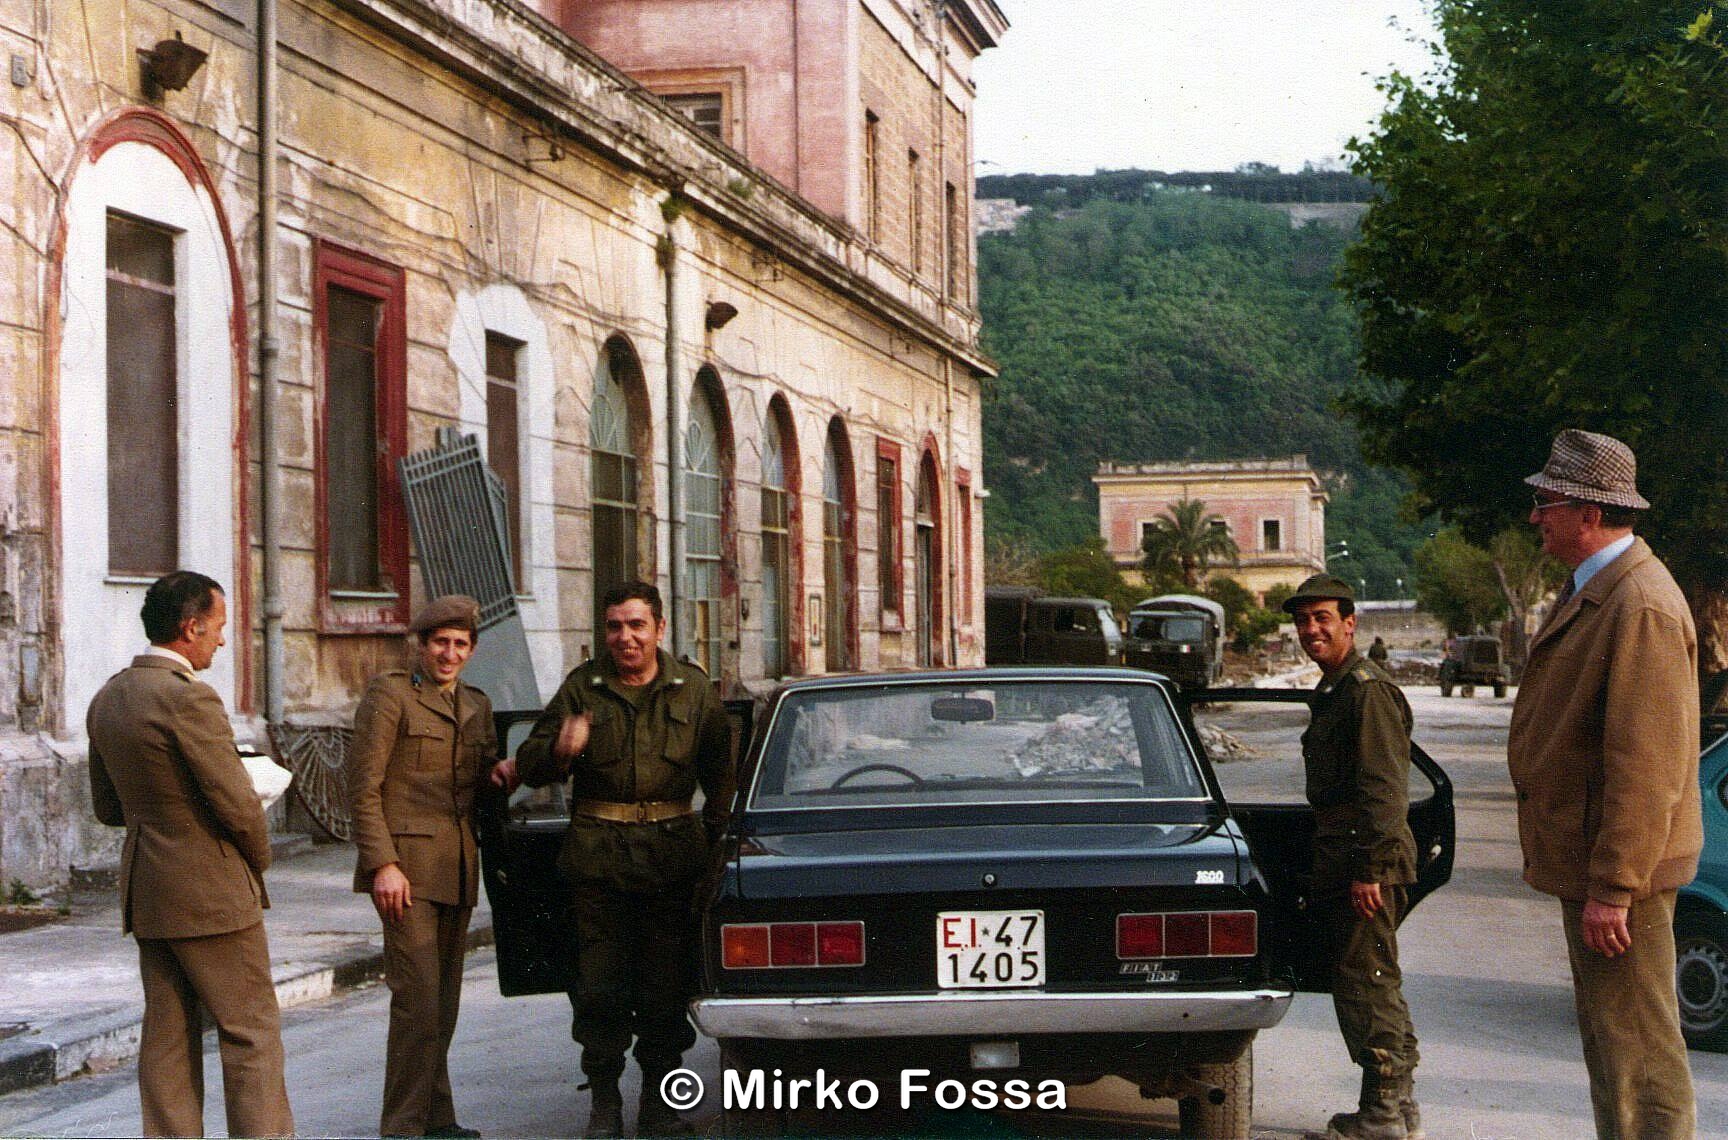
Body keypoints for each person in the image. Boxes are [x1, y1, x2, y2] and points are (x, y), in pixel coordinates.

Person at [1508, 429, 1701, 1140]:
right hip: (1603, 867)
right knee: (1616, 1049)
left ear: (1589, 514)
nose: (1536, 517)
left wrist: (1615, 886)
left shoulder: (1638, 603)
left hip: (1626, 876)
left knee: (1640, 1058)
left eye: (1547, 503)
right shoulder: (1599, 590)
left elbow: (1648, 765)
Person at [498, 581, 733, 1138]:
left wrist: (724, 858)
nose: (624, 638)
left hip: (673, 861)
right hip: (599, 861)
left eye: (635, 626)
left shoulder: (693, 691)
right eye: (613, 627)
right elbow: (527, 763)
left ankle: (660, 1101)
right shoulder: (584, 688)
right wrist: (560, 750)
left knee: (666, 988)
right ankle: (604, 1100)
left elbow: (722, 783)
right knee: (599, 988)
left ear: (658, 629)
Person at [86, 571, 295, 1138]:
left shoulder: (109, 696)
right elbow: (235, 803)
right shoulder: (189, 698)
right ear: (190, 627)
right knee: (249, 1031)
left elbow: (108, 808)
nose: (221, 642)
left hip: (148, 891)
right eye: (219, 628)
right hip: (211, 891)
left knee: (168, 1037)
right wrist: (258, 857)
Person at [350, 596, 509, 1138]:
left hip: (459, 869)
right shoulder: (392, 694)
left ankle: (438, 1121)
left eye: (460, 644)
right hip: (408, 874)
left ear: (472, 649)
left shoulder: (476, 705)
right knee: (417, 1006)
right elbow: (364, 787)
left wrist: (509, 773)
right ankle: (402, 1129)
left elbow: (480, 784)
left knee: (442, 1007)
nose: (449, 653)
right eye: (440, 642)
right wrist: (382, 865)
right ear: (421, 645)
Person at [1284, 574, 1421, 1140]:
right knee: (1373, 978)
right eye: (1302, 620)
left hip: (1366, 864)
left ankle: (1384, 1113)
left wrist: (1371, 870)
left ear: (1349, 624)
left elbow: (1385, 791)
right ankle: (1397, 1104)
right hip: (1350, 859)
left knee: (1365, 980)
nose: (1311, 630)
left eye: (1322, 618)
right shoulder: (1338, 687)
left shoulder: (1365, 691)